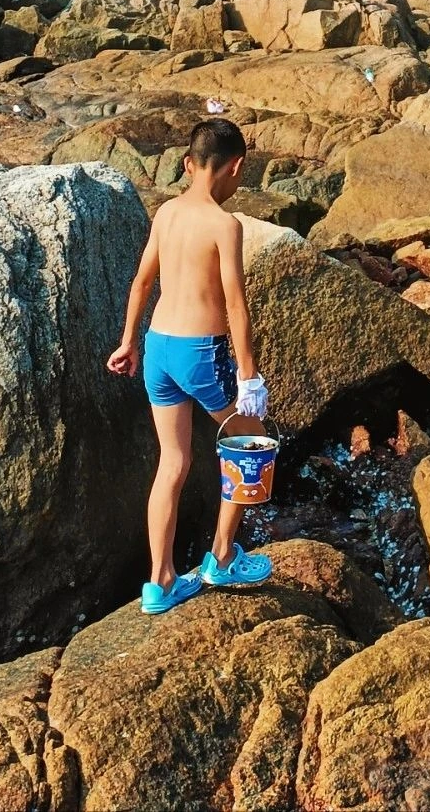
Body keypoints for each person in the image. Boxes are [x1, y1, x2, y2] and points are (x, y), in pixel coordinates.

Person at [107, 116, 273, 613]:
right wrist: (249, 376)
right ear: (236, 168)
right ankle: (221, 557)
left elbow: (141, 283)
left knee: (173, 462)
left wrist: (127, 342)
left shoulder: (166, 214)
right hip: (201, 351)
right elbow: (236, 304)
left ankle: (158, 583)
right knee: (252, 447)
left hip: (158, 346)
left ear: (187, 164)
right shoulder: (225, 225)